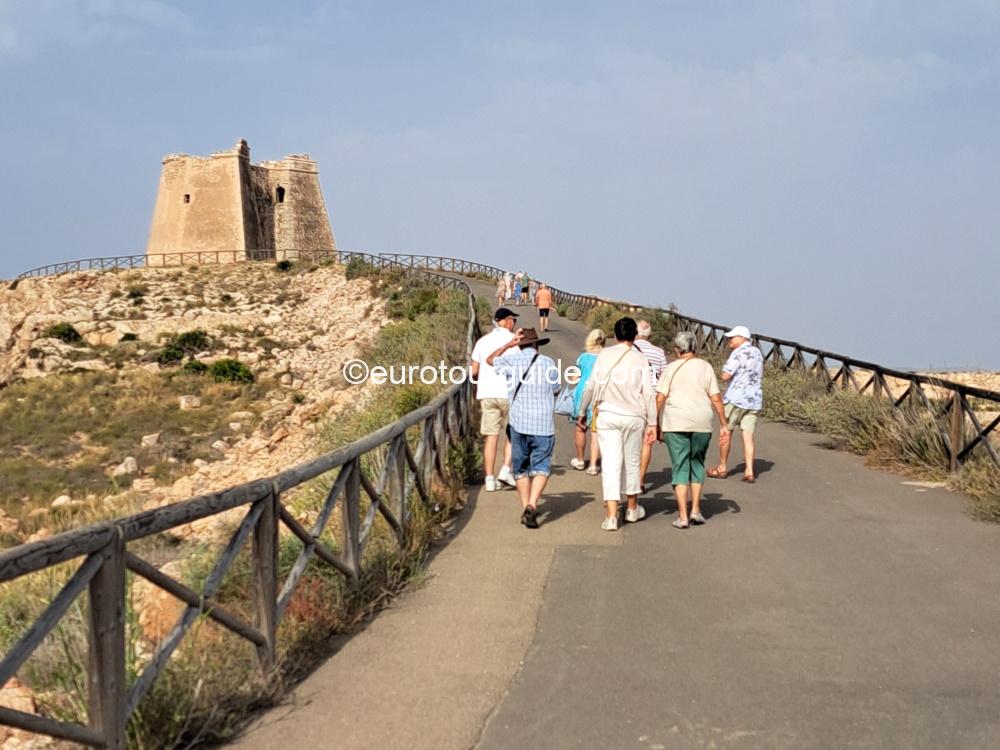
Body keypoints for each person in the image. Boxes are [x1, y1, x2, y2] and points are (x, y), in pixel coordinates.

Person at [577, 317, 657, 531]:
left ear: (615, 335)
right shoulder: (640, 359)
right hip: (634, 416)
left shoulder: (604, 355)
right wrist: (653, 422)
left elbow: (591, 385)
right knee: (631, 462)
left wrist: (582, 410)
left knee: (611, 465)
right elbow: (648, 393)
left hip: (607, 414)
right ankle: (632, 508)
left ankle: (611, 516)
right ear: (634, 336)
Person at [656, 331, 730, 529]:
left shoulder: (671, 368)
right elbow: (716, 397)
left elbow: (660, 398)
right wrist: (724, 424)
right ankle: (696, 510)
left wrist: (653, 422)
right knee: (697, 463)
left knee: (680, 466)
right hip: (701, 422)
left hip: (676, 421)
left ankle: (682, 516)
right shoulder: (705, 367)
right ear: (695, 348)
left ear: (677, 349)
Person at [487, 327, 559, 529]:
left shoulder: (512, 361)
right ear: (537, 344)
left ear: (520, 346)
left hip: (519, 424)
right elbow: (556, 389)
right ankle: (532, 504)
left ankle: (526, 506)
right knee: (542, 467)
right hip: (543, 425)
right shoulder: (549, 363)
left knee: (521, 469)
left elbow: (490, 360)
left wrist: (507, 345)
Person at [469, 308, 519, 492]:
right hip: (508, 392)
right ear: (506, 321)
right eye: (513, 319)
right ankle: (505, 470)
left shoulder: (482, 341)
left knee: (491, 436)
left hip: (487, 393)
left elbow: (473, 371)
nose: (514, 323)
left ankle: (489, 478)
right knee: (512, 434)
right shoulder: (514, 342)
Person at [707, 325, 764, 483]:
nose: (729, 340)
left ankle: (722, 467)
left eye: (732, 338)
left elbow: (725, 375)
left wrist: (722, 373)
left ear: (741, 338)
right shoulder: (757, 353)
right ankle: (749, 470)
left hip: (736, 397)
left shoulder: (738, 353)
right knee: (748, 435)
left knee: (726, 431)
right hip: (754, 399)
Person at [633, 320, 667, 493]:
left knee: (630, 439)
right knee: (647, 441)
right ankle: (640, 480)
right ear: (650, 335)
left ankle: (629, 477)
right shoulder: (659, 352)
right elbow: (664, 379)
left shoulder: (629, 349)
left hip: (633, 397)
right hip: (652, 399)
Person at [569, 328, 605, 474]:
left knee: (580, 427)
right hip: (599, 394)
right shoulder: (606, 357)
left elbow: (574, 378)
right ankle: (593, 464)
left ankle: (580, 459)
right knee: (595, 431)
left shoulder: (583, 357)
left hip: (582, 393)